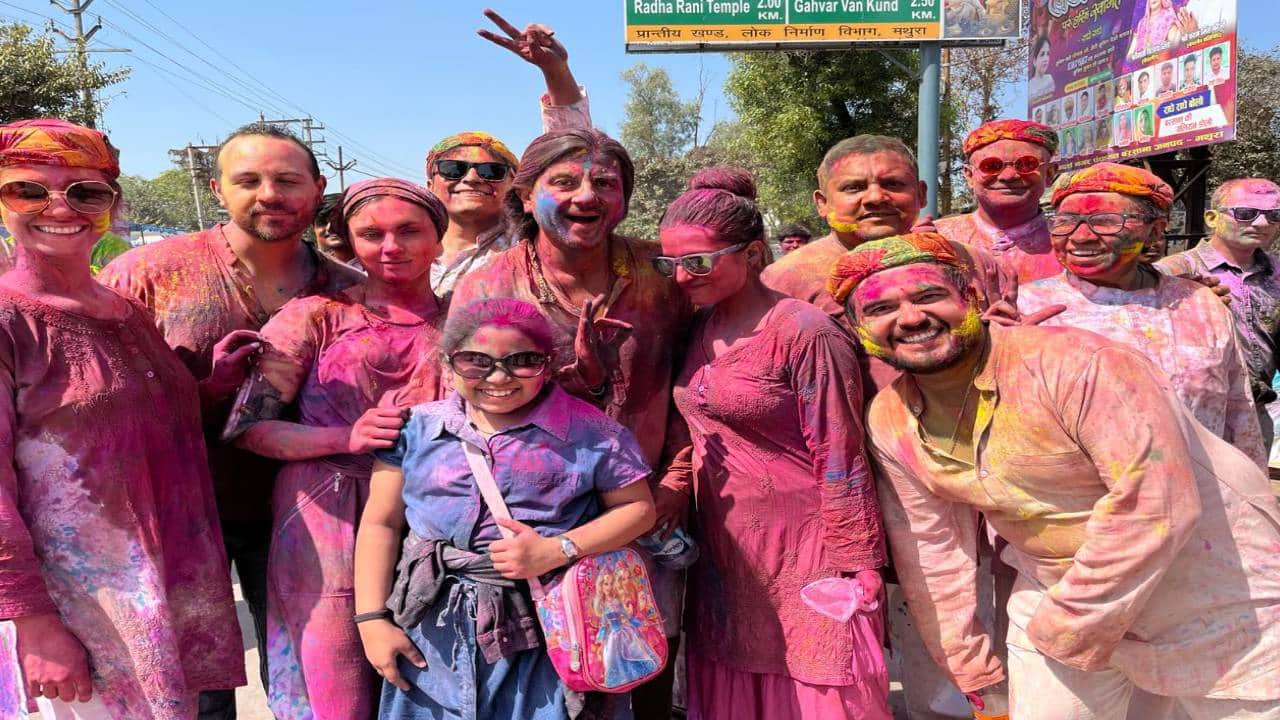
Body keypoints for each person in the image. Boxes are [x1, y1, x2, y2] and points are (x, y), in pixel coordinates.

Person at [834, 230, 1280, 720]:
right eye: (880, 310)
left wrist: (1066, 626)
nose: (912, 318)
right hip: (1056, 586)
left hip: (1210, 583)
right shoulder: (891, 420)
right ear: (857, 329)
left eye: (929, 295)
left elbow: (1157, 506)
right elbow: (931, 551)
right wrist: (975, 672)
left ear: (973, 298)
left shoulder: (1079, 365)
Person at [99, 122, 365, 718]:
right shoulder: (144, 277)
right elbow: (101, 410)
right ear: (219, 189)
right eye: (248, 180)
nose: (268, 193)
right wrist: (201, 391)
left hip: (308, 516)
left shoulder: (351, 293)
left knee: (312, 676)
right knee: (194, 681)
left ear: (318, 188)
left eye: (287, 180)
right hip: (176, 510)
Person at [0, 119, 244, 718]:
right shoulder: (9, 319)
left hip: (166, 592)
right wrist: (32, 622)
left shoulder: (123, 307)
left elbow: (140, 423)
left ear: (113, 203)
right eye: (29, 190)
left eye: (86, 192)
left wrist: (214, 386)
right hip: (78, 610)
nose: (60, 206)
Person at [450, 127, 693, 718]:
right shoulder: (487, 283)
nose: (587, 193)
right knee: (554, 673)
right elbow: (465, 402)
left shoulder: (662, 277)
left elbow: (699, 383)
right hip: (534, 518)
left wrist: (677, 480)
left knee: (649, 653)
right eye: (564, 182)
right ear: (527, 196)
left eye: (605, 182)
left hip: (650, 504)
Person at [353, 298, 657, 720]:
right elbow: (381, 524)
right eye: (476, 362)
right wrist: (371, 621)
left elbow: (638, 509)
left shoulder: (593, 434)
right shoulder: (416, 429)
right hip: (430, 630)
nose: (498, 377)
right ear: (447, 363)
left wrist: (558, 550)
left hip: (547, 631)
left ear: (548, 365)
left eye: (522, 361)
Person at [658, 171, 888, 719]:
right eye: (669, 264)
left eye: (698, 261)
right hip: (725, 548)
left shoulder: (804, 332)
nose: (683, 277)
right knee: (735, 676)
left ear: (754, 253)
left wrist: (857, 560)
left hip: (809, 545)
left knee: (820, 674)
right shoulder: (696, 326)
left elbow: (841, 452)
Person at [221, 179, 450, 719]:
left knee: (431, 667)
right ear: (349, 240)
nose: (391, 246)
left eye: (409, 231)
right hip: (324, 513)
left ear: (439, 240)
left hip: (432, 512)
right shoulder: (316, 316)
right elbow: (249, 429)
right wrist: (342, 437)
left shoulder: (466, 324)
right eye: (372, 233)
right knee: (336, 678)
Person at [1018, 163, 1266, 468]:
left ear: (1156, 230)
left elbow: (1239, 411)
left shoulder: (1201, 305)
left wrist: (1253, 497)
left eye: (1106, 221)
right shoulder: (1027, 309)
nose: (1080, 236)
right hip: (1076, 510)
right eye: (1066, 221)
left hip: (1201, 501)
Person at [427, 10, 592, 298]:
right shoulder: (401, 248)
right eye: (454, 169)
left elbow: (570, 154)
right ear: (430, 184)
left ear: (516, 186)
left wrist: (555, 71)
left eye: (492, 171)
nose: (473, 178)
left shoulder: (534, 245)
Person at [1158, 179, 1280, 448]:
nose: (1262, 223)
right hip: (1188, 414)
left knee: (1250, 488)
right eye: (1246, 214)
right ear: (1212, 218)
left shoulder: (1277, 273)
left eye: (1274, 215)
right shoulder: (1174, 271)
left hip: (1255, 414)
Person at [935, 120, 1063, 284]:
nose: (1008, 176)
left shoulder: (1073, 241)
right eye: (992, 166)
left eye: (1025, 164)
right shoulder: (936, 237)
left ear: (1050, 174)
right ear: (969, 176)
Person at [312, 192, 358, 267]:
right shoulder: (311, 270)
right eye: (322, 222)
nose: (329, 228)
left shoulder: (375, 266)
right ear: (314, 228)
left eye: (337, 221)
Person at [1028, 35, 1055, 99]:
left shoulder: (1050, 79)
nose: (1046, 59)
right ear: (1034, 61)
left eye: (1048, 54)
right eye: (1042, 54)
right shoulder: (1030, 86)